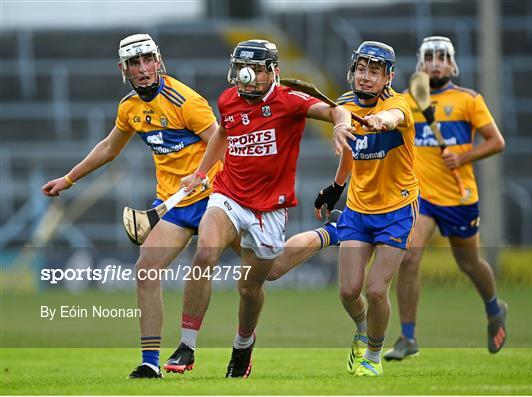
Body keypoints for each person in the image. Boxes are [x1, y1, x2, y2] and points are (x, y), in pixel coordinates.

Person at [162, 39, 351, 378]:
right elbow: (222, 131)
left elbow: (337, 110)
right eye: (239, 67)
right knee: (205, 252)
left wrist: (340, 124)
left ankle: (243, 346)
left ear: (272, 71)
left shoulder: (290, 101)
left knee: (254, 285)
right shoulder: (228, 99)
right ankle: (187, 345)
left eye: (252, 69)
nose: (244, 76)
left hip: (269, 209)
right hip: (228, 196)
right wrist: (201, 173)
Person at [42, 33, 224, 379]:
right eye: (134, 63)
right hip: (173, 206)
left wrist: (202, 175)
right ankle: (151, 362)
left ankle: (239, 341)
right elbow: (110, 147)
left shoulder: (186, 100)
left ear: (159, 61)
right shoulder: (129, 107)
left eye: (147, 60)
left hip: (214, 197)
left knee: (261, 269)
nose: (142, 69)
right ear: (122, 69)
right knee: (146, 270)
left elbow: (221, 142)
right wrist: (69, 179)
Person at [384, 36, 507, 361]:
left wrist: (463, 158)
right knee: (409, 256)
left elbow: (496, 142)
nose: (436, 62)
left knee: (468, 263)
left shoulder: (469, 100)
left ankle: (494, 308)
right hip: (419, 197)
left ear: (452, 65)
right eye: (429, 57)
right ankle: (408, 337)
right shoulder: (405, 102)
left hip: (458, 196)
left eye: (442, 57)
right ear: (420, 64)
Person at [318, 41, 419, 377]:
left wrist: (382, 121)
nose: (365, 77)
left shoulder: (399, 103)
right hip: (359, 211)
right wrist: (336, 188)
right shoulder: (346, 104)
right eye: (361, 69)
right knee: (348, 291)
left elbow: (395, 116)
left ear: (388, 76)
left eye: (374, 71)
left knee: (376, 289)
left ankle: (373, 357)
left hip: (397, 209)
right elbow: (343, 118)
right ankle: (363, 327)